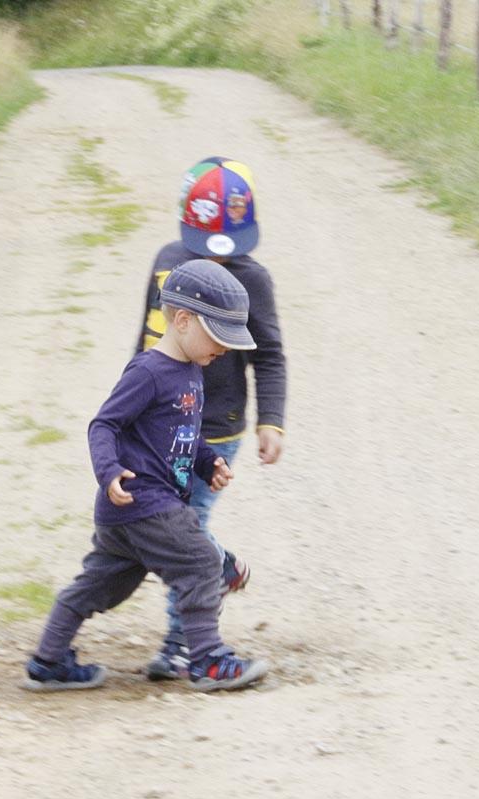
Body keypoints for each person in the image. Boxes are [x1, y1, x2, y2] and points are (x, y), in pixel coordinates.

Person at [23, 259, 269, 693]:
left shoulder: (191, 371)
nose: (225, 350)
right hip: (144, 500)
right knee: (201, 562)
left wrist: (207, 461)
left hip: (128, 517)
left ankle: (48, 661)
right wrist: (109, 470)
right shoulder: (148, 371)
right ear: (183, 320)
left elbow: (180, 436)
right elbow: (104, 425)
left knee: (99, 587)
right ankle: (208, 661)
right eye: (219, 338)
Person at [138, 157, 287, 680]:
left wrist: (272, 419)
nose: (218, 263)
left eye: (230, 251)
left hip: (217, 431)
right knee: (158, 528)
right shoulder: (165, 265)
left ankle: (183, 644)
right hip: (160, 427)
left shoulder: (254, 281)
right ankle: (218, 565)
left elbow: (269, 354)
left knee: (185, 528)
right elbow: (148, 344)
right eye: (205, 251)